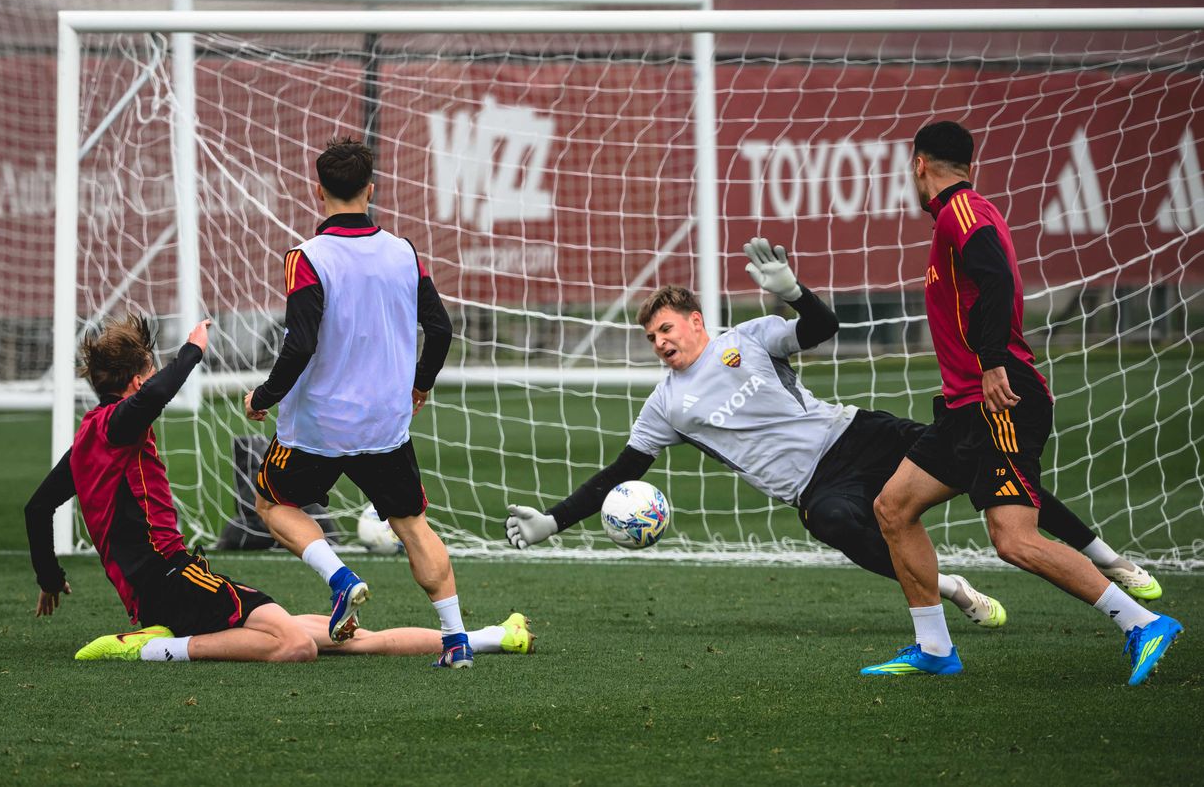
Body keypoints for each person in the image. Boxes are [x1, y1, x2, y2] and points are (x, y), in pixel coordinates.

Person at [505, 246, 1161, 627]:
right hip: (817, 485)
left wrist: (792, 292)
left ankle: (1106, 557)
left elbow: (819, 331)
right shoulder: (665, 406)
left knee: (989, 462)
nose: (660, 343)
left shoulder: (748, 339)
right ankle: (951, 590)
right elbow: (618, 474)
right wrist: (551, 522)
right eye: (651, 338)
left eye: (667, 330)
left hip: (856, 435)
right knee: (832, 522)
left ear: (697, 322)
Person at [861, 121, 1181, 684]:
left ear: (918, 164)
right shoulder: (965, 213)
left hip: (1000, 399)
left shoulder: (962, 213)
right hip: (966, 407)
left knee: (1014, 539)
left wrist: (990, 362)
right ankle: (934, 647)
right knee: (893, 508)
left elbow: (997, 283)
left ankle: (1142, 622)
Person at [24, 314, 535, 663]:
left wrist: (49, 576)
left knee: (348, 639)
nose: (154, 377)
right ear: (135, 383)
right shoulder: (117, 424)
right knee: (295, 645)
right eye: (149, 371)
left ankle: (491, 638)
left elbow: (38, 507)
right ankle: (149, 649)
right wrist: (193, 350)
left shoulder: (91, 441)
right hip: (173, 579)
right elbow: (158, 392)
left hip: (158, 593)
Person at [243, 138, 474, 668]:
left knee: (272, 504)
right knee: (412, 524)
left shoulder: (306, 258)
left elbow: (299, 344)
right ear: (371, 190)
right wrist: (421, 384)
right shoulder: (403, 251)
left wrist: (264, 397)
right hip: (384, 427)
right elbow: (439, 329)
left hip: (318, 427)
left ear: (317, 190)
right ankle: (456, 638)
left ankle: (340, 576)